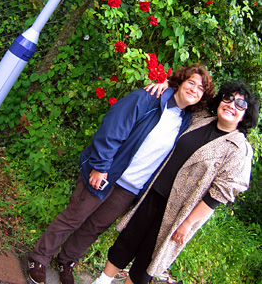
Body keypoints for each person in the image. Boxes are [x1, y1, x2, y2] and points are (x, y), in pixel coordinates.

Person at [28, 64, 214, 284]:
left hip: (130, 188)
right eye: (191, 82)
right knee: (74, 216)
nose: (194, 89)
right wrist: (100, 166)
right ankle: (39, 257)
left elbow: (220, 116)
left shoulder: (186, 120)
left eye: (200, 88)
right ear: (180, 82)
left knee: (94, 228)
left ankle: (67, 260)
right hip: (107, 173)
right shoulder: (149, 98)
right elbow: (112, 128)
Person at [92, 81, 260, 284]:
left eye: (240, 105)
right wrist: (166, 84)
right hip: (154, 192)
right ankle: (102, 280)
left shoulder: (239, 150)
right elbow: (185, 96)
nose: (232, 105)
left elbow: (219, 195)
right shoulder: (201, 118)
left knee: (149, 258)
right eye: (229, 98)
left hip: (180, 214)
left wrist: (188, 223)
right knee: (127, 241)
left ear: (245, 115)